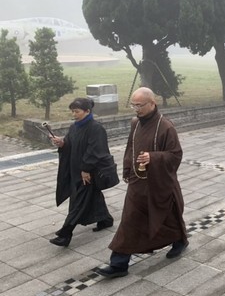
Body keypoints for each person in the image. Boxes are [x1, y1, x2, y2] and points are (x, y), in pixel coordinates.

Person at [97, 87, 188, 278]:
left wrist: (153, 158)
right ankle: (119, 264)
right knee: (129, 220)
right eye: (133, 105)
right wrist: (128, 169)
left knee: (169, 216)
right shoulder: (135, 123)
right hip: (138, 183)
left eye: (139, 105)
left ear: (152, 103)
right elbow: (131, 147)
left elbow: (175, 155)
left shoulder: (166, 127)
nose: (136, 109)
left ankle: (179, 240)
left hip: (160, 183)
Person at [48, 98, 114, 247]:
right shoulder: (74, 127)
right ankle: (105, 219)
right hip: (75, 170)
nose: (74, 114)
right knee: (92, 195)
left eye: (77, 111)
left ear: (87, 111)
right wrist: (62, 143)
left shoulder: (96, 128)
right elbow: (70, 144)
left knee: (78, 202)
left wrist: (86, 169)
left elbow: (95, 151)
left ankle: (65, 233)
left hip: (88, 172)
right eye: (72, 111)